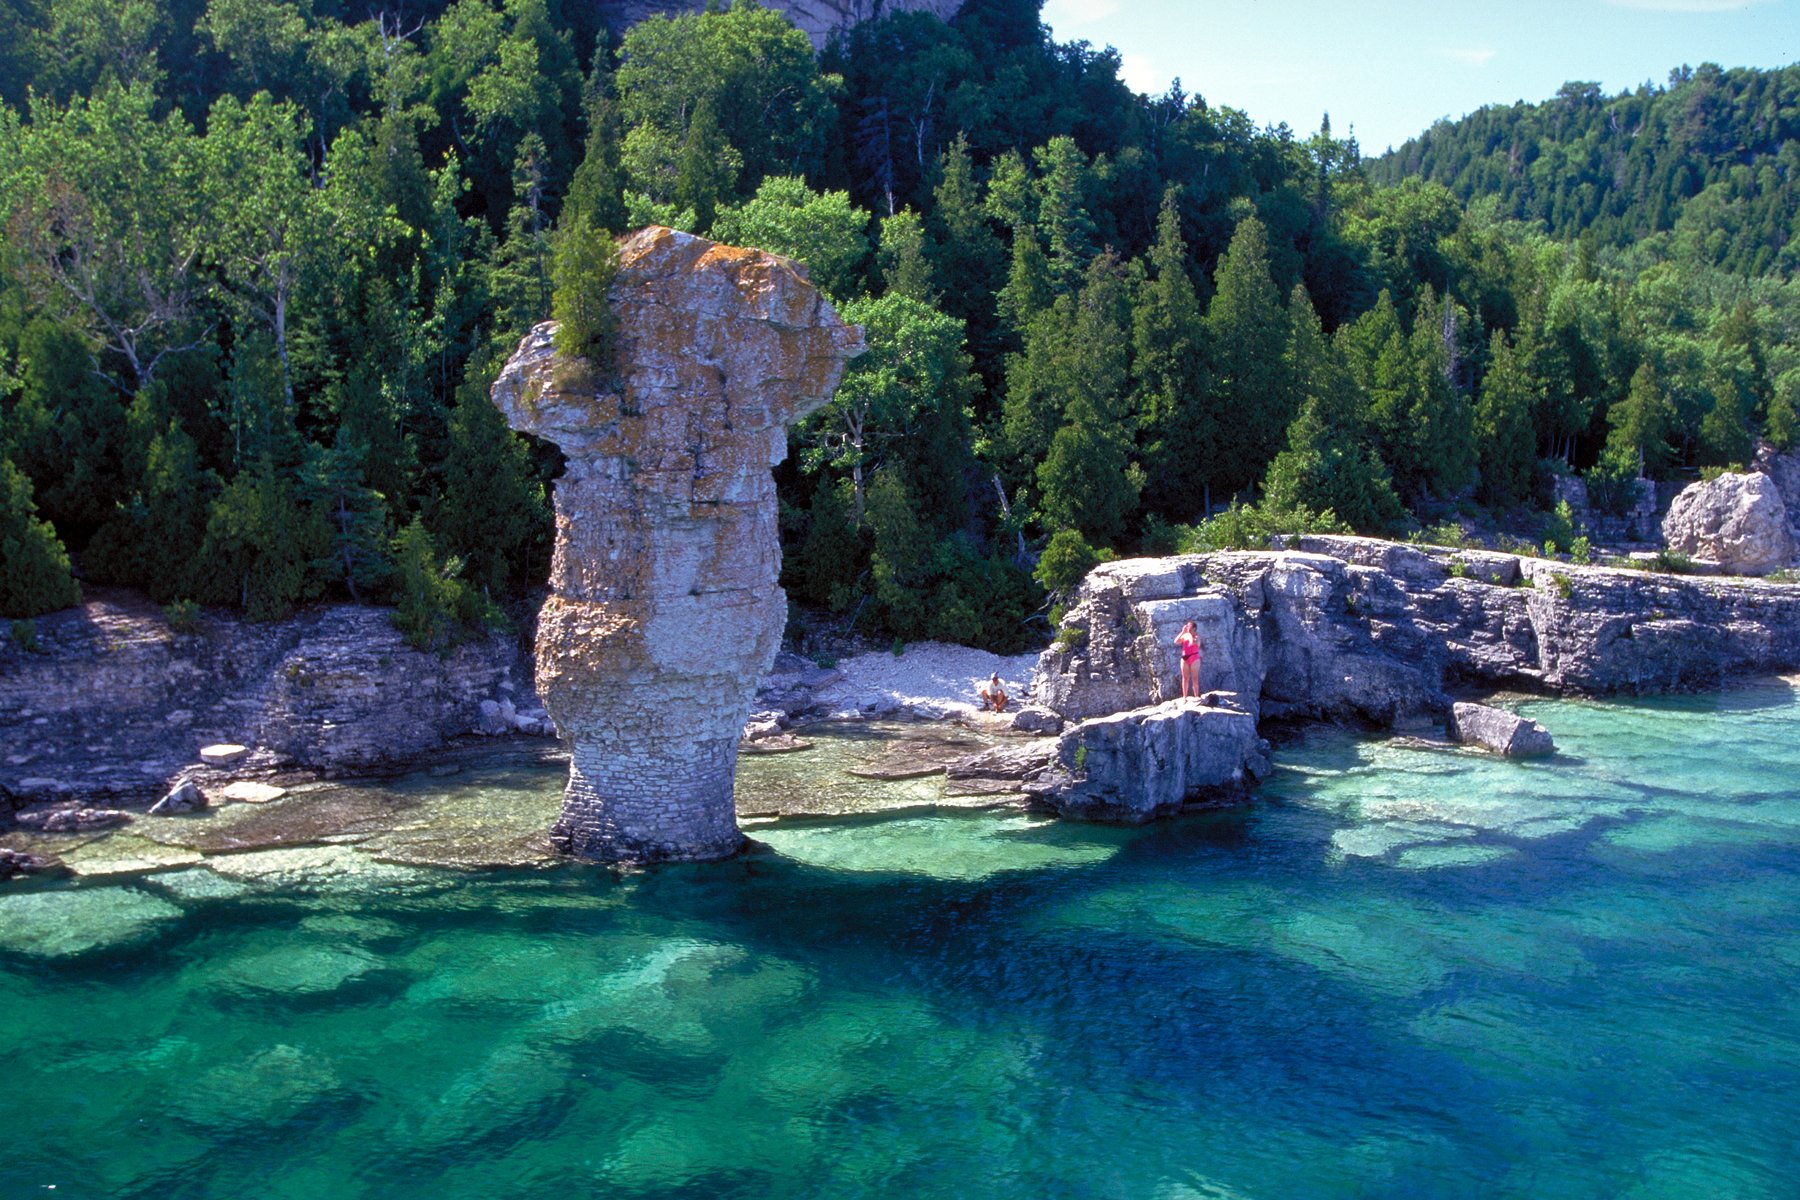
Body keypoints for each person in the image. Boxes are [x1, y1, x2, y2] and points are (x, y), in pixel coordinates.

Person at [1175, 620, 1202, 699]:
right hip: (1184, 657)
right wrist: (1183, 632)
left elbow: (1193, 643)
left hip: (1194, 658)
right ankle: (1185, 697)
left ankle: (1196, 696)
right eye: (1187, 625)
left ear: (1194, 628)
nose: (1187, 627)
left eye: (1189, 626)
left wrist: (1189, 634)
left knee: (1195, 678)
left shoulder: (1197, 636)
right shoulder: (1185, 635)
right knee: (1185, 678)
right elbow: (1176, 641)